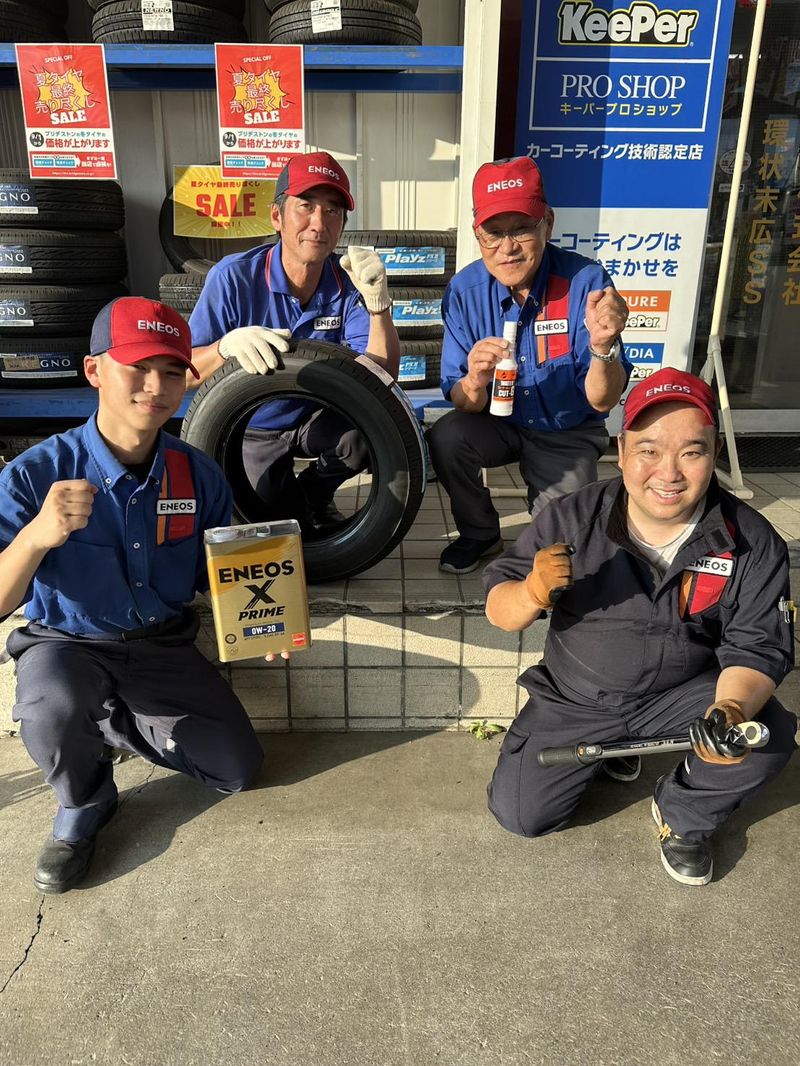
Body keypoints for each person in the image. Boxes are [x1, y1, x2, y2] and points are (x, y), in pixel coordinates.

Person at [482, 368, 797, 886]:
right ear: (622, 450)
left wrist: (731, 707)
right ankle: (607, 756)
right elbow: (499, 610)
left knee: (767, 735)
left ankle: (683, 812)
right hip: (576, 700)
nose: (668, 472)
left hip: (682, 696)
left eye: (691, 452)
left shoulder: (753, 541)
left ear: (715, 451)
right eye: (649, 450)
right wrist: (532, 592)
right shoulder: (572, 516)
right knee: (521, 816)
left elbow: (758, 646)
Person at [0, 297, 265, 894]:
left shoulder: (198, 476)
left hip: (160, 647)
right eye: (138, 367)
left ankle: (114, 723)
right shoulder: (34, 475)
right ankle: (84, 803)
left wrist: (262, 620)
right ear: (95, 370)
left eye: (171, 371)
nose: (155, 387)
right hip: (66, 645)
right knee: (51, 708)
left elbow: (218, 576)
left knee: (236, 770)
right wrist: (37, 536)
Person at [428, 155, 632, 575]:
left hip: (567, 430)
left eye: (521, 228)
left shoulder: (586, 283)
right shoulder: (464, 290)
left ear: (547, 224)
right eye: (493, 233)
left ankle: (546, 532)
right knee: (447, 436)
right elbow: (462, 399)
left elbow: (602, 400)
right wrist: (475, 380)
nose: (507, 248)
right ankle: (479, 533)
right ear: (477, 234)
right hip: (497, 421)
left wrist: (602, 345)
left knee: (562, 554)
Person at [188, 150, 400, 530]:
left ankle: (315, 492)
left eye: (332, 211)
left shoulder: (348, 281)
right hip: (253, 425)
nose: (319, 223)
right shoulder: (233, 278)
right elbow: (186, 372)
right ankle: (294, 499)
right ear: (277, 216)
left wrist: (379, 306)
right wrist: (224, 348)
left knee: (368, 433)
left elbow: (381, 377)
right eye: (306, 206)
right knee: (282, 522)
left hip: (316, 416)